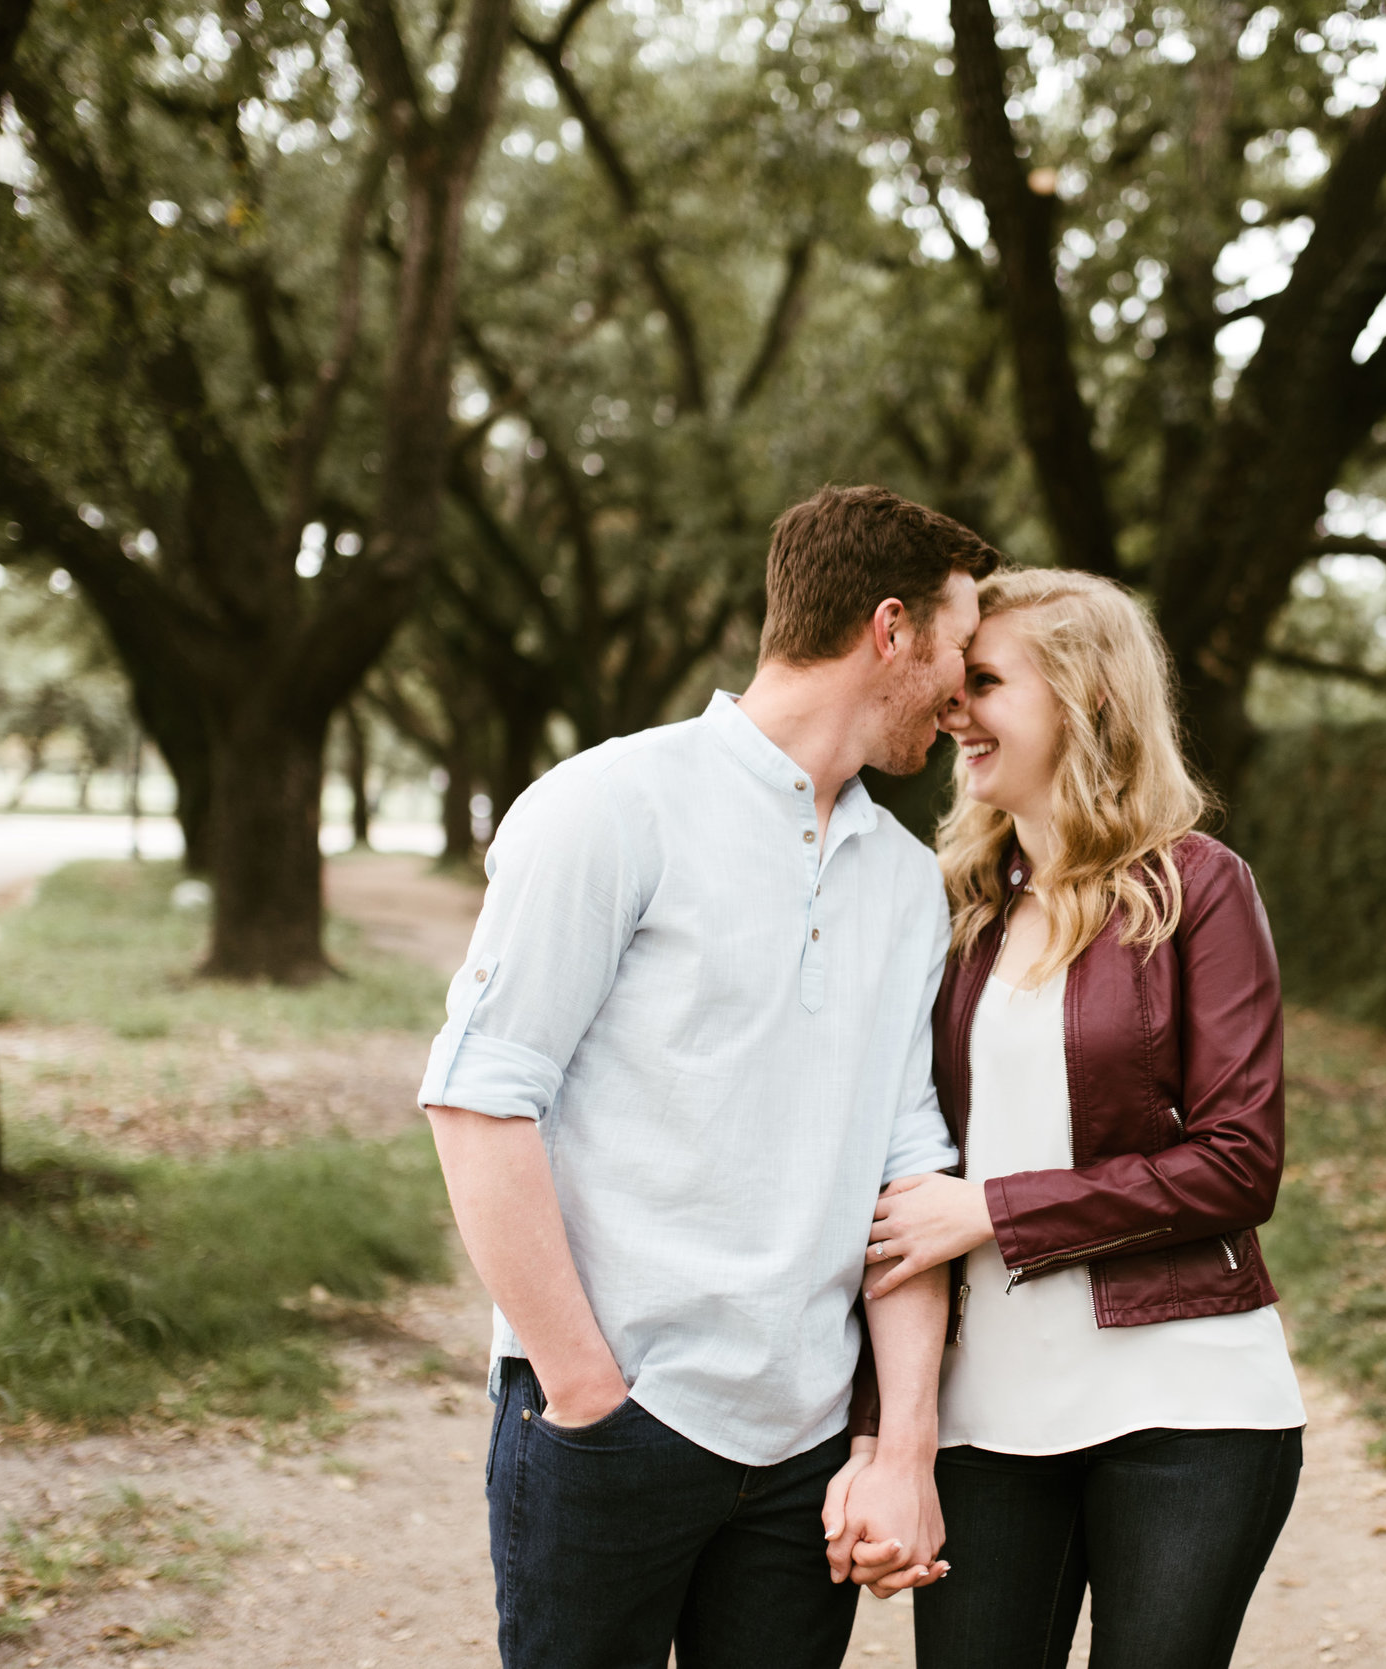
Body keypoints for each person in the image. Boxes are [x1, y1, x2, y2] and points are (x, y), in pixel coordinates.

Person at [418, 485, 1000, 1669]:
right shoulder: (608, 806)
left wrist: (898, 1450)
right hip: (612, 1422)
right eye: (959, 646)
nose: (963, 691)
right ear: (890, 630)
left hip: (800, 1453)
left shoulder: (902, 880)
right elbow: (479, 1098)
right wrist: (585, 1396)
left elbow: (905, 1172)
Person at [863, 568, 1307, 1669]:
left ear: (1085, 701)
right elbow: (894, 1169)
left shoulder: (1199, 887)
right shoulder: (950, 906)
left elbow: (1239, 1163)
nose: (952, 707)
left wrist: (996, 1213)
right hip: (987, 1416)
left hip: (1189, 1402)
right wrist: (881, 1425)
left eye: (985, 681)